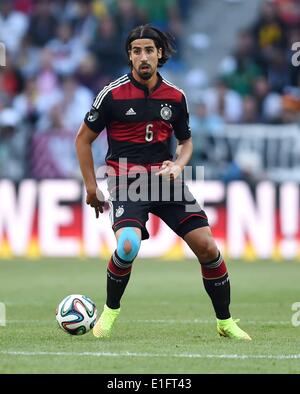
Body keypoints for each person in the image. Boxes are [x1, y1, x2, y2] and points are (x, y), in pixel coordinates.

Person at [75, 24, 251, 340]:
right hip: (126, 180)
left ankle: (225, 322)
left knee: (208, 247)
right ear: (129, 56)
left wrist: (179, 164)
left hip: (164, 180)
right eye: (137, 50)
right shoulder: (111, 95)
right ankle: (110, 312)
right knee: (127, 246)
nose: (143, 57)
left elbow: (186, 143)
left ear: (159, 54)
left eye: (149, 50)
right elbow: (82, 140)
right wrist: (91, 186)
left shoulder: (176, 97)